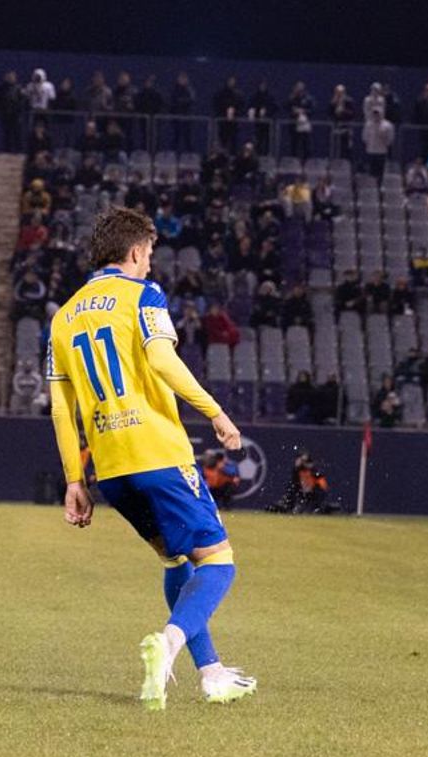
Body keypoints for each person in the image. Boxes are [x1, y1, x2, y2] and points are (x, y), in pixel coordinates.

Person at [45, 207, 256, 710]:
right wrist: (216, 413)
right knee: (219, 562)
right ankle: (169, 644)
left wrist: (75, 480)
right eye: (150, 256)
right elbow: (163, 360)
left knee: (175, 559)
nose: (151, 266)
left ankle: (211, 675)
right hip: (158, 452)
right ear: (136, 251)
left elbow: (59, 405)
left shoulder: (63, 315)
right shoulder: (143, 296)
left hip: (112, 469)